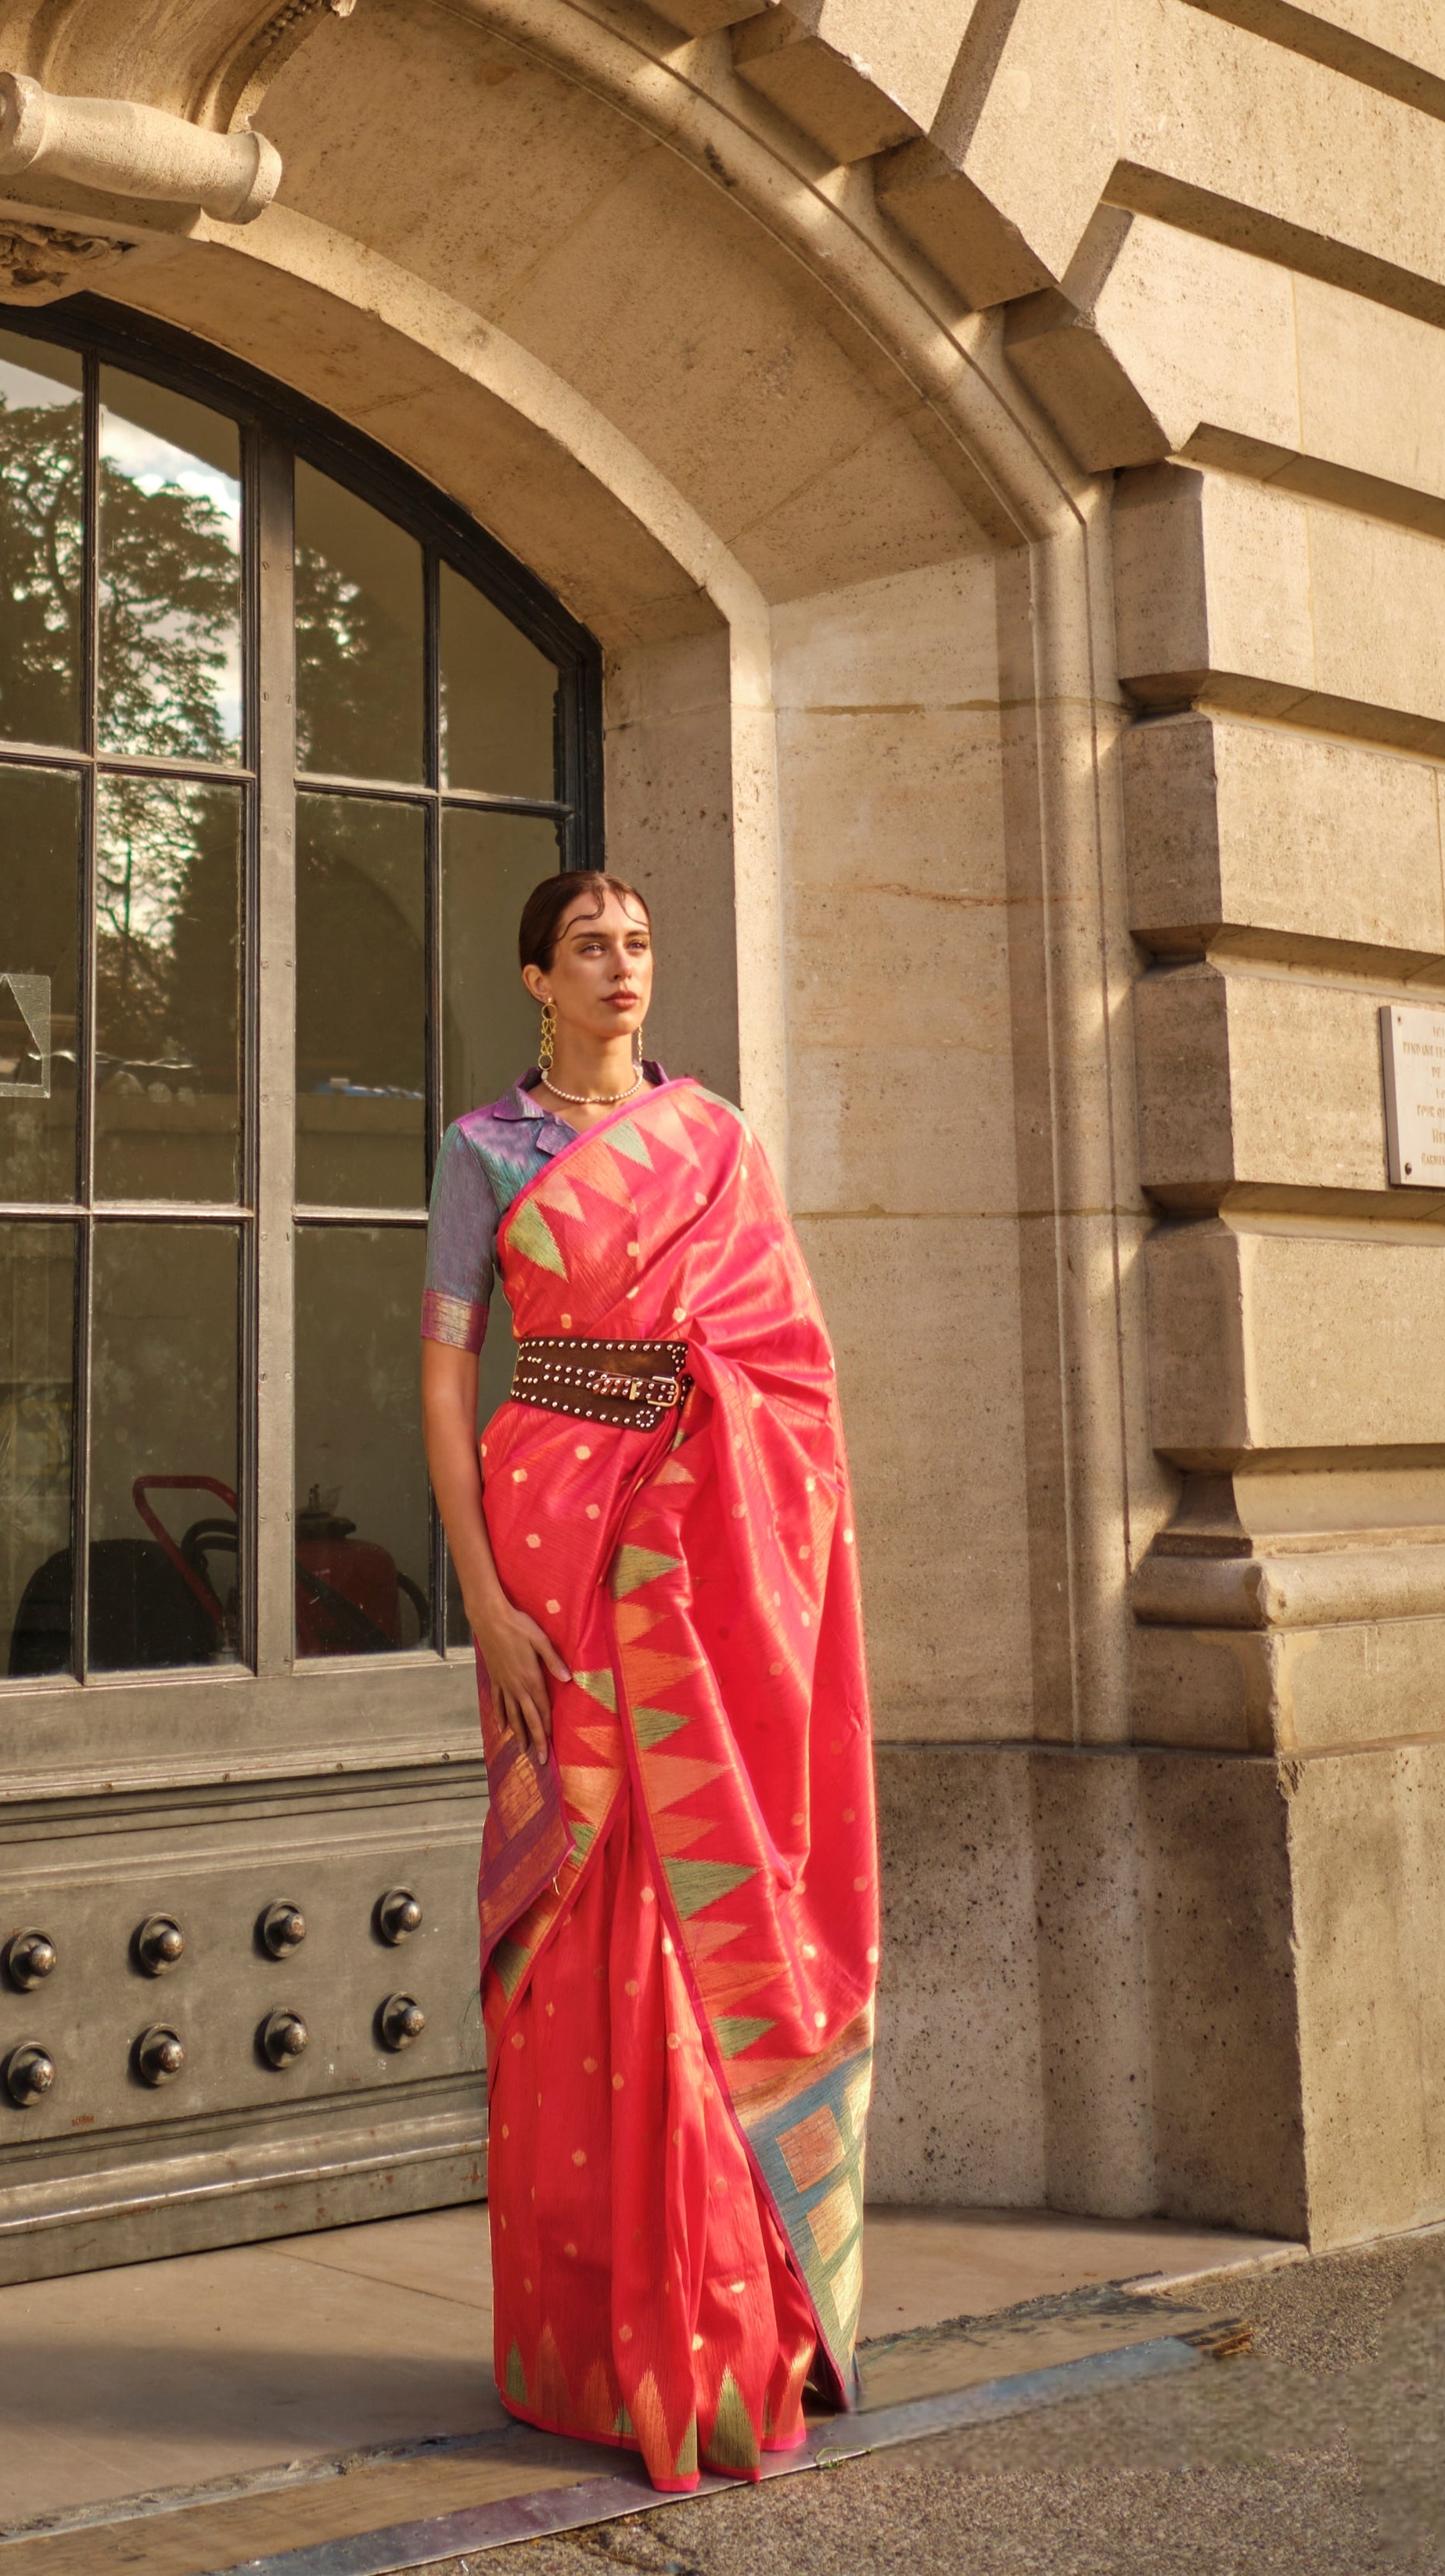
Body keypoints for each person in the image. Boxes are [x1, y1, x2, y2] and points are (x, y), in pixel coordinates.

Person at [421, 871, 879, 2492]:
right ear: (534, 974)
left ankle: (714, 2334)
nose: (623, 968)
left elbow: (792, 1367)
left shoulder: (719, 1146)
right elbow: (442, 1371)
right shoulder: (486, 1151)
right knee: (576, 1931)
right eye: (591, 948)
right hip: (547, 1543)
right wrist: (480, 1594)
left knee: (689, 1932)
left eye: (638, 944)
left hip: (699, 1555)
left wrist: (713, 1461)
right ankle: (589, 2337)